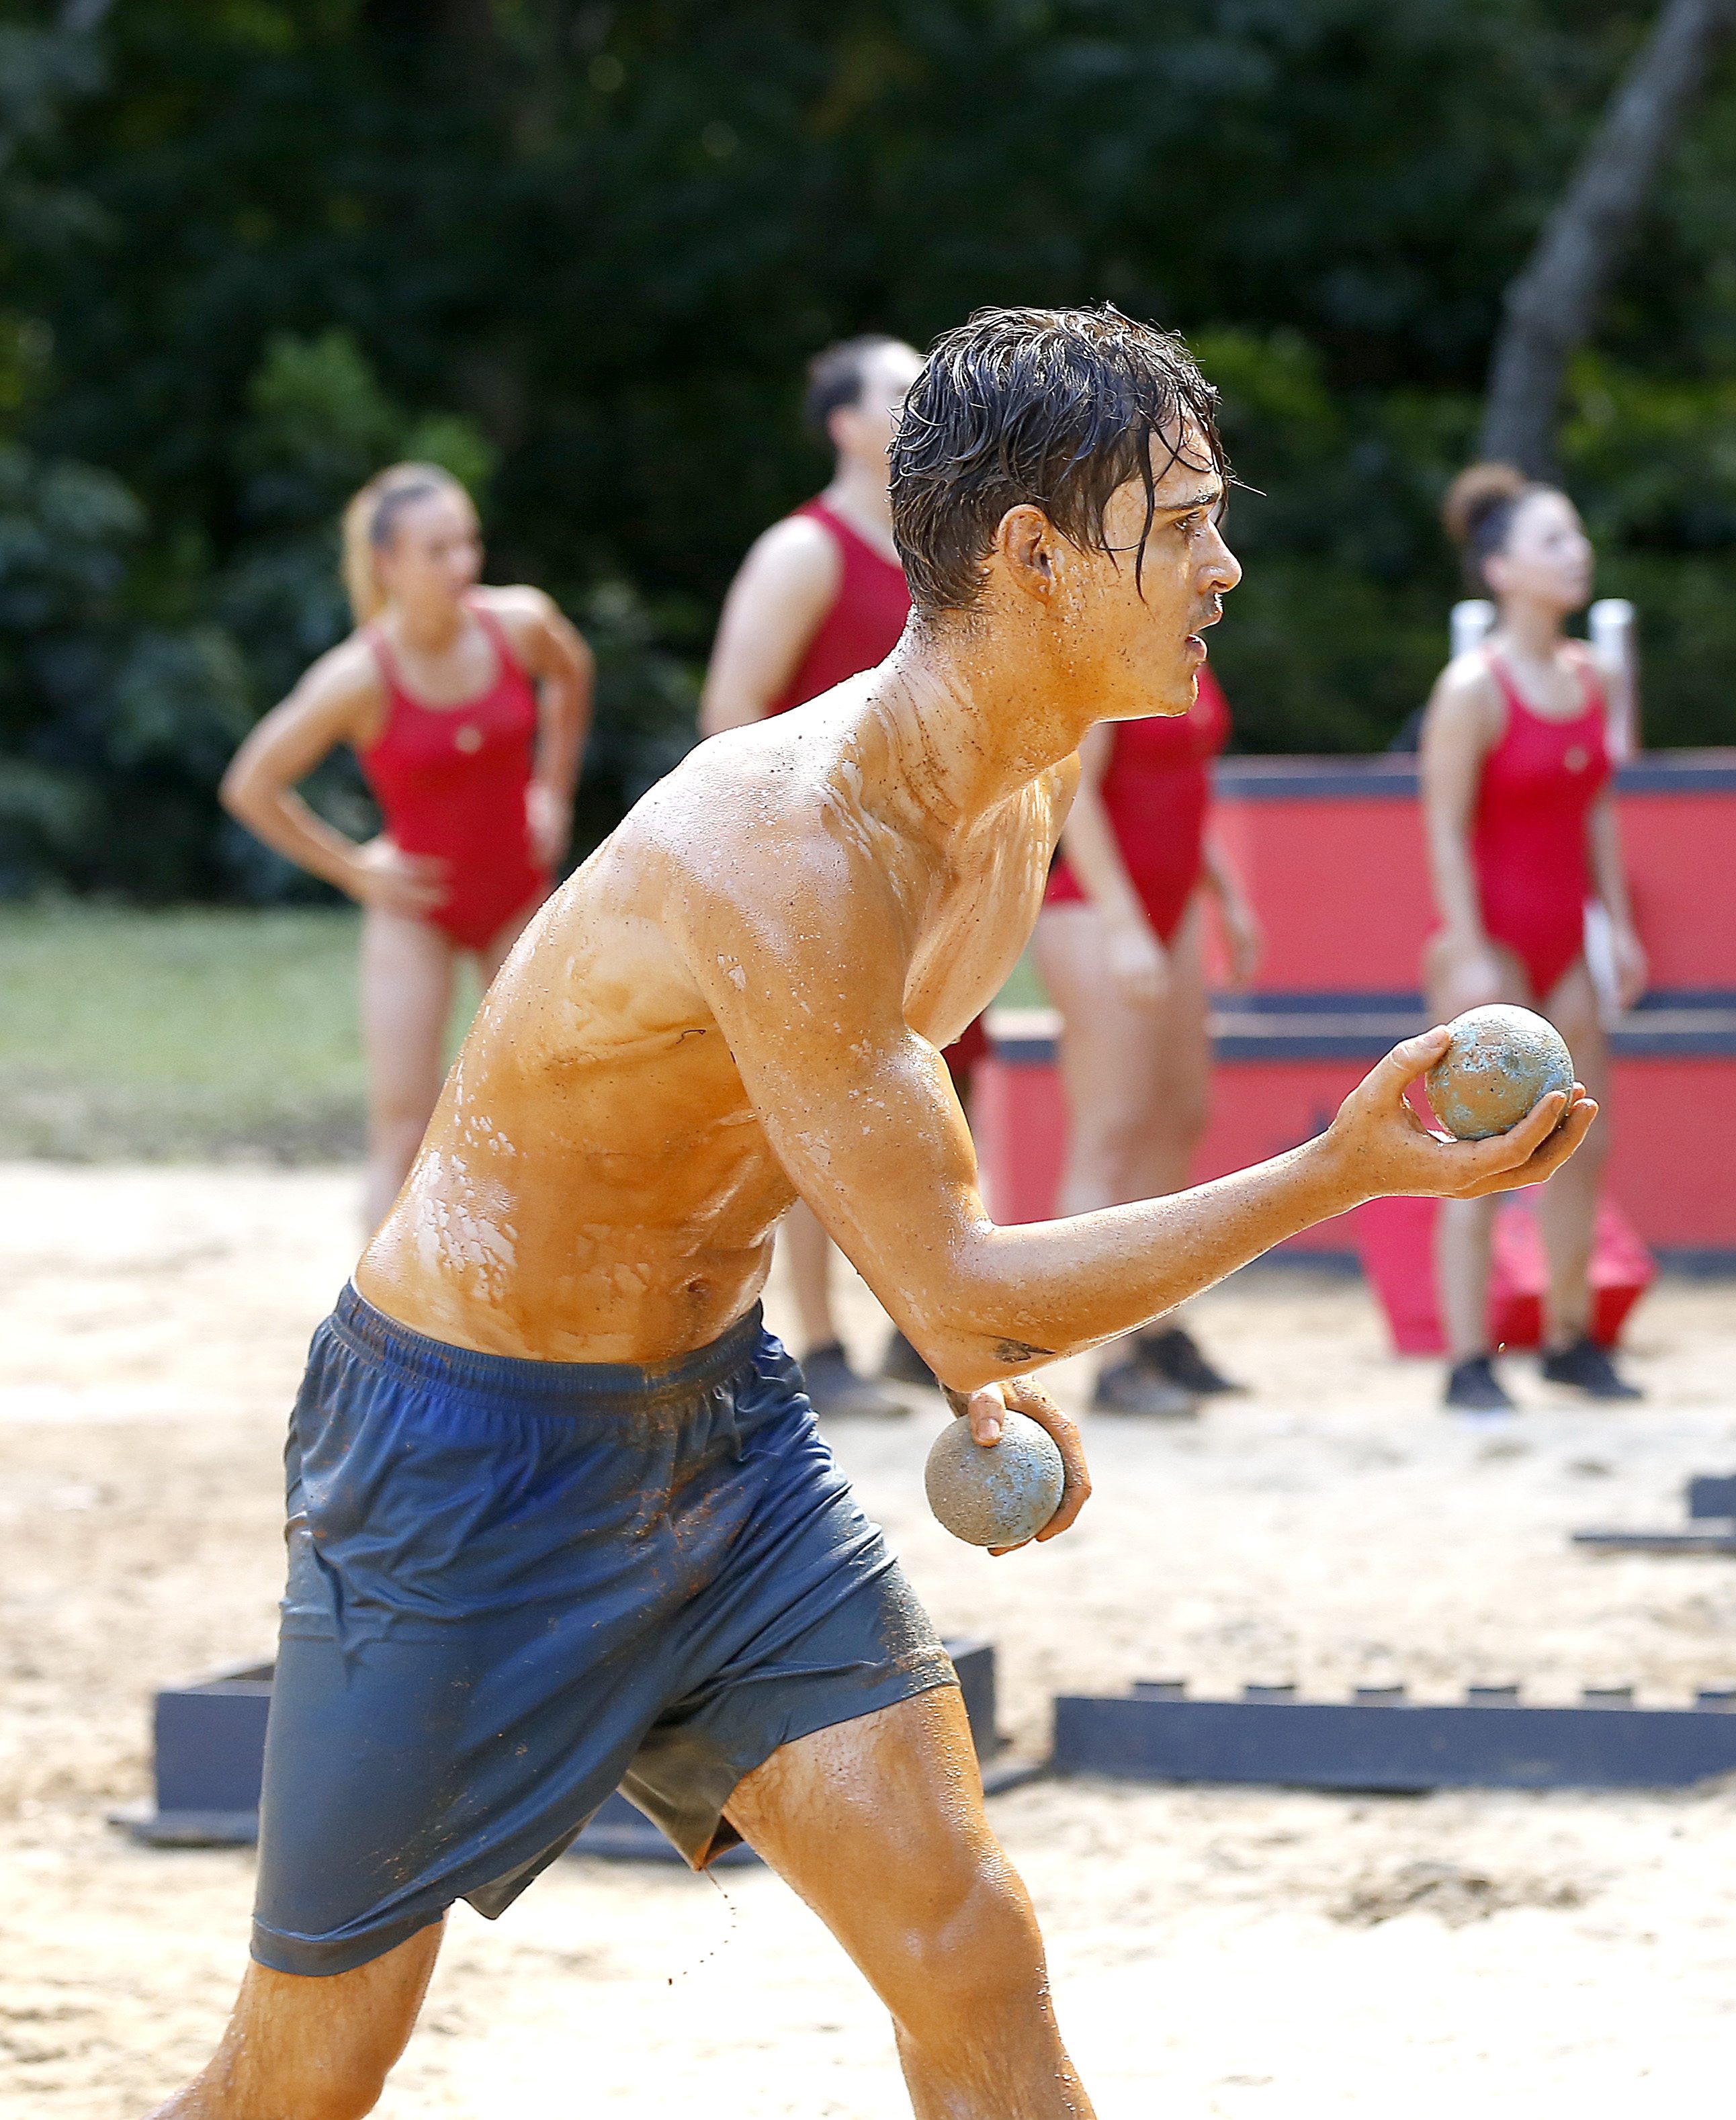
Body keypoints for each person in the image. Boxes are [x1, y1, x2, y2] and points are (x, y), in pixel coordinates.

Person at [148, 307, 1595, 2120]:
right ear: (1034, 555)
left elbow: (894, 1180)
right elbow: (968, 1282)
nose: (1224, 565)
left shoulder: (1020, 786)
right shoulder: (793, 840)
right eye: (1181, 525)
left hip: (716, 1436)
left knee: (964, 1942)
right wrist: (1333, 1170)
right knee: (306, 2074)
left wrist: (969, 1361)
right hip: (461, 1454)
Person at [221, 463, 591, 1232]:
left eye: (468, 543)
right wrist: (354, 869)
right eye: (438, 550)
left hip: (517, 896)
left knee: (551, 1105)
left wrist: (552, 789)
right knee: (403, 1129)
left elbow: (571, 672)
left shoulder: (519, 622)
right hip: (416, 912)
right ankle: (379, 1306)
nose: (463, 563)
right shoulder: (357, 677)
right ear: (388, 563)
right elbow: (251, 785)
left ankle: (539, 1294)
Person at [697, 334, 930, 1421]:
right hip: (816, 872)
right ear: (846, 424)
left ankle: (915, 1329)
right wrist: (778, 857)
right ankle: (819, 1344)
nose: (923, 402)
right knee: (809, 1109)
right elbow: (729, 710)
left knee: (920, 1094)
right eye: (901, 389)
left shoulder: (936, 549)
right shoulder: (804, 550)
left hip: (917, 873)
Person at [1416, 463, 1648, 1413]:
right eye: (1553, 539)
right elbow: (1441, 828)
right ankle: (1469, 1357)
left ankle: (1568, 1335)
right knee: (1477, 1152)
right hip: (1492, 947)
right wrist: (1468, 945)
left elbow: (1595, 813)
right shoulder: (1472, 688)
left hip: (1566, 944)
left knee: (1582, 1142)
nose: (1576, 553)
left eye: (1576, 535)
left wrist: (1618, 927)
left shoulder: (1594, 676)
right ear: (1501, 569)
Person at [1032, 662, 1264, 1416]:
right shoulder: (1108, 654)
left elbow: (1182, 789)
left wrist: (1225, 895)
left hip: (1174, 903)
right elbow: (1074, 792)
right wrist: (1125, 923)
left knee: (1179, 1116)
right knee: (1111, 1131)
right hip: (1097, 911)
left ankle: (1158, 1326)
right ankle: (1106, 1358)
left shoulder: (1189, 647)